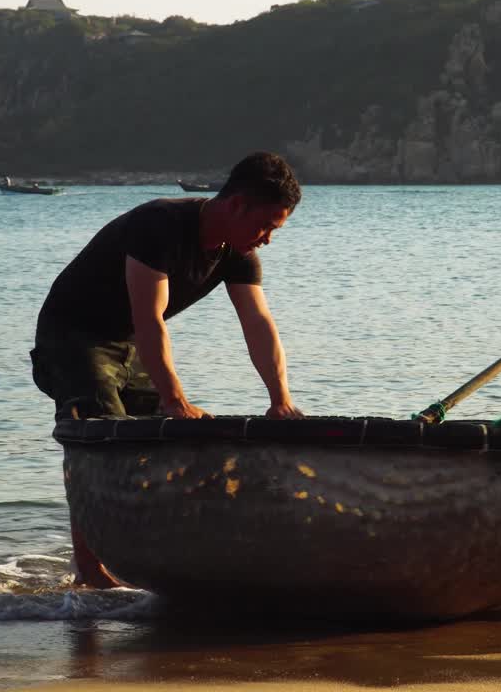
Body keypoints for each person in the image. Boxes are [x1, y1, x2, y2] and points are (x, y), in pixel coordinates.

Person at [30, 151, 305, 587]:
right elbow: (149, 317)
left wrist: (280, 400)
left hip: (126, 341)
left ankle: (162, 558)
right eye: (266, 226)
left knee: (171, 444)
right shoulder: (159, 226)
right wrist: (176, 399)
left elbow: (258, 323)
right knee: (101, 436)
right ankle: (89, 570)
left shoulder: (238, 253)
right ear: (236, 205)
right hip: (71, 335)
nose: (268, 238)